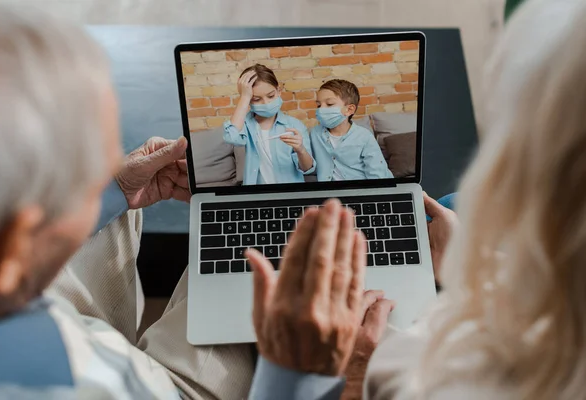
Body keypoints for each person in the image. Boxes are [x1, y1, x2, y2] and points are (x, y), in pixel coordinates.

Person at [246, 0, 586, 398]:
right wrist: (463, 274)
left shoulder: (362, 139)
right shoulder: (312, 134)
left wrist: (338, 376)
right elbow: (308, 168)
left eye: (329, 106)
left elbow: (379, 175)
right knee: (452, 204)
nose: (321, 112)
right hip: (329, 204)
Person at [0, 5, 257, 399]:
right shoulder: (90, 380)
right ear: (16, 243)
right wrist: (301, 374)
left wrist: (116, 189)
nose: (113, 164)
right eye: (98, 164)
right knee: (237, 275)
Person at [223, 64, 316, 185]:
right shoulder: (244, 124)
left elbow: (307, 169)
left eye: (271, 96)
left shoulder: (294, 125)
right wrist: (244, 97)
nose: (266, 103)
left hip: (289, 193)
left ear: (278, 91)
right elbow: (232, 137)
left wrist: (301, 150)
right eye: (256, 99)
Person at [310, 79, 394, 182]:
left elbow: (377, 174)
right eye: (318, 105)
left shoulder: (364, 137)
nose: (321, 109)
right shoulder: (315, 134)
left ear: (349, 110)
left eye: (330, 104)